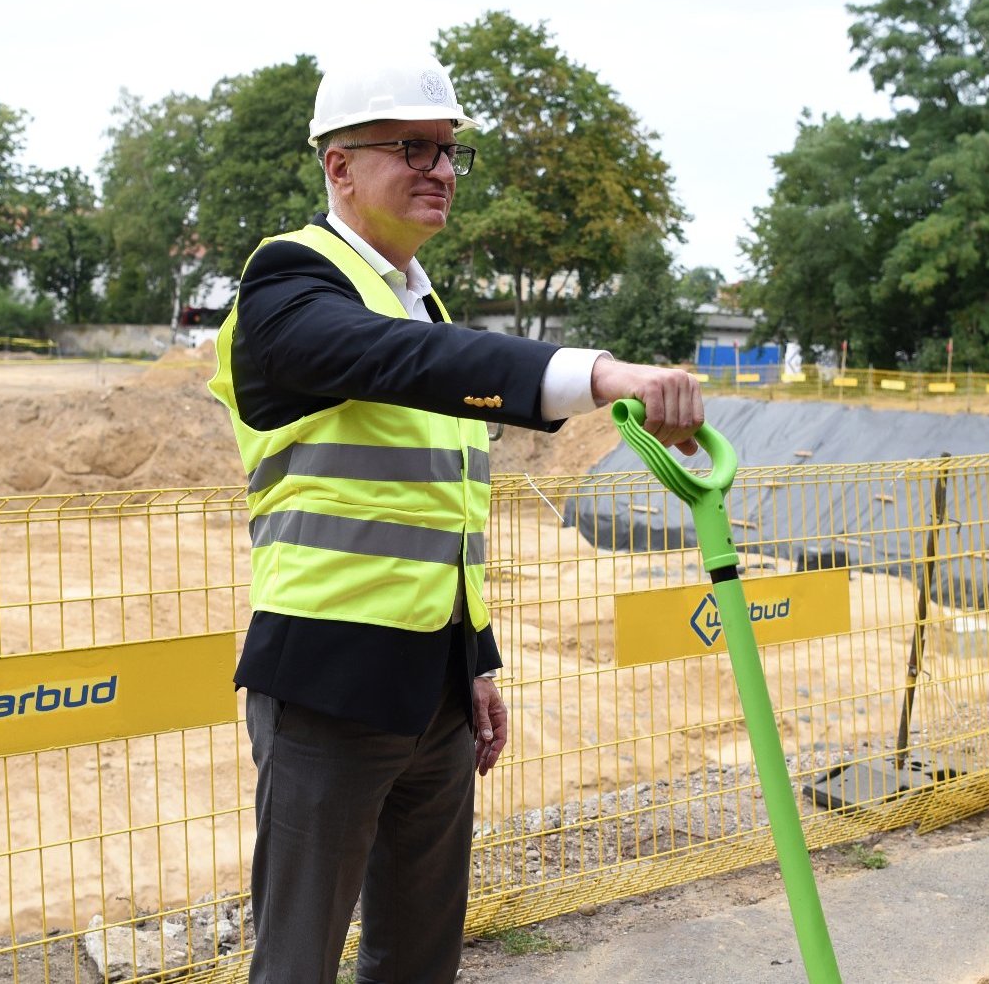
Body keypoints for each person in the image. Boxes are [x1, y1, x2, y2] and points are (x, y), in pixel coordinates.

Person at [206, 52, 703, 984]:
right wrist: (599, 377)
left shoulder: (422, 302)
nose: (439, 167)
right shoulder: (287, 282)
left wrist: (471, 657)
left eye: (447, 150)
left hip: (431, 685)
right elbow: (398, 361)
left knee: (420, 954)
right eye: (411, 147)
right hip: (327, 681)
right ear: (338, 167)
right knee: (297, 960)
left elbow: (444, 510)